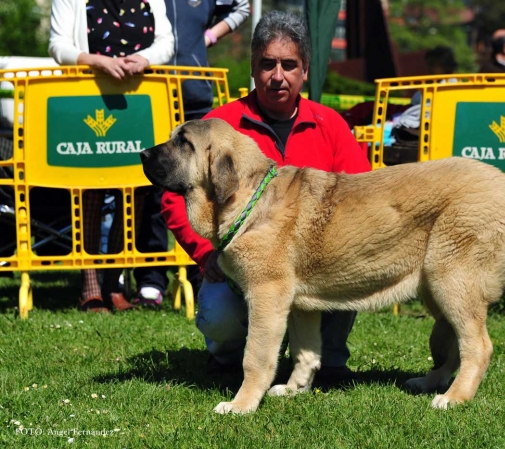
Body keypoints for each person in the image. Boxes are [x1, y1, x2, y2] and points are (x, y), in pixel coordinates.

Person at [161, 10, 372, 382]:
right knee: (222, 315)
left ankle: (328, 359)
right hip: (241, 268)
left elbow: (361, 197)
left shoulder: (331, 125)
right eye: (267, 64)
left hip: (316, 267)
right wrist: (205, 251)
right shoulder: (219, 125)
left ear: (305, 69)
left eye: (289, 65)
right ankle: (227, 359)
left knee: (344, 274)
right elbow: (174, 195)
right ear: (253, 67)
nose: (278, 76)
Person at [48, 0, 175, 312]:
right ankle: (90, 287)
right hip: (88, 101)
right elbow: (57, 45)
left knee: (133, 194)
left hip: (138, 104)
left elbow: (167, 42)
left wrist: (144, 59)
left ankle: (113, 283)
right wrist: (98, 62)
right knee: (89, 194)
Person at [135, 0, 251, 305]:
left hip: (194, 93)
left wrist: (208, 37)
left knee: (203, 188)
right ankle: (151, 279)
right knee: (151, 189)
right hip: (147, 94)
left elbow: (241, 7)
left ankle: (205, 270)